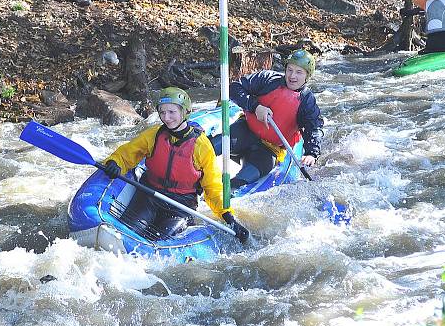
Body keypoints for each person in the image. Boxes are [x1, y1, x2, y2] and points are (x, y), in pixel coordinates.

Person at [101, 87, 249, 243]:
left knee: (159, 241)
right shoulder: (154, 135)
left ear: (184, 112)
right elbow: (127, 154)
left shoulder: (201, 146)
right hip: (149, 196)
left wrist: (228, 216)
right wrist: (114, 163)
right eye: (163, 112)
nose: (167, 117)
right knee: (127, 236)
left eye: (172, 112)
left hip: (180, 206)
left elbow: (213, 188)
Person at [211, 49, 324, 189]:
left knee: (243, 179)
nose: (292, 76)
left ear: (307, 76)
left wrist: (311, 153)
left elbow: (314, 128)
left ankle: (222, 192)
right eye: (290, 70)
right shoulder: (268, 79)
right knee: (211, 146)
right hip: (245, 131)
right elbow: (235, 88)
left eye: (299, 72)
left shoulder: (307, 101)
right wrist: (255, 106)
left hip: (269, 149)